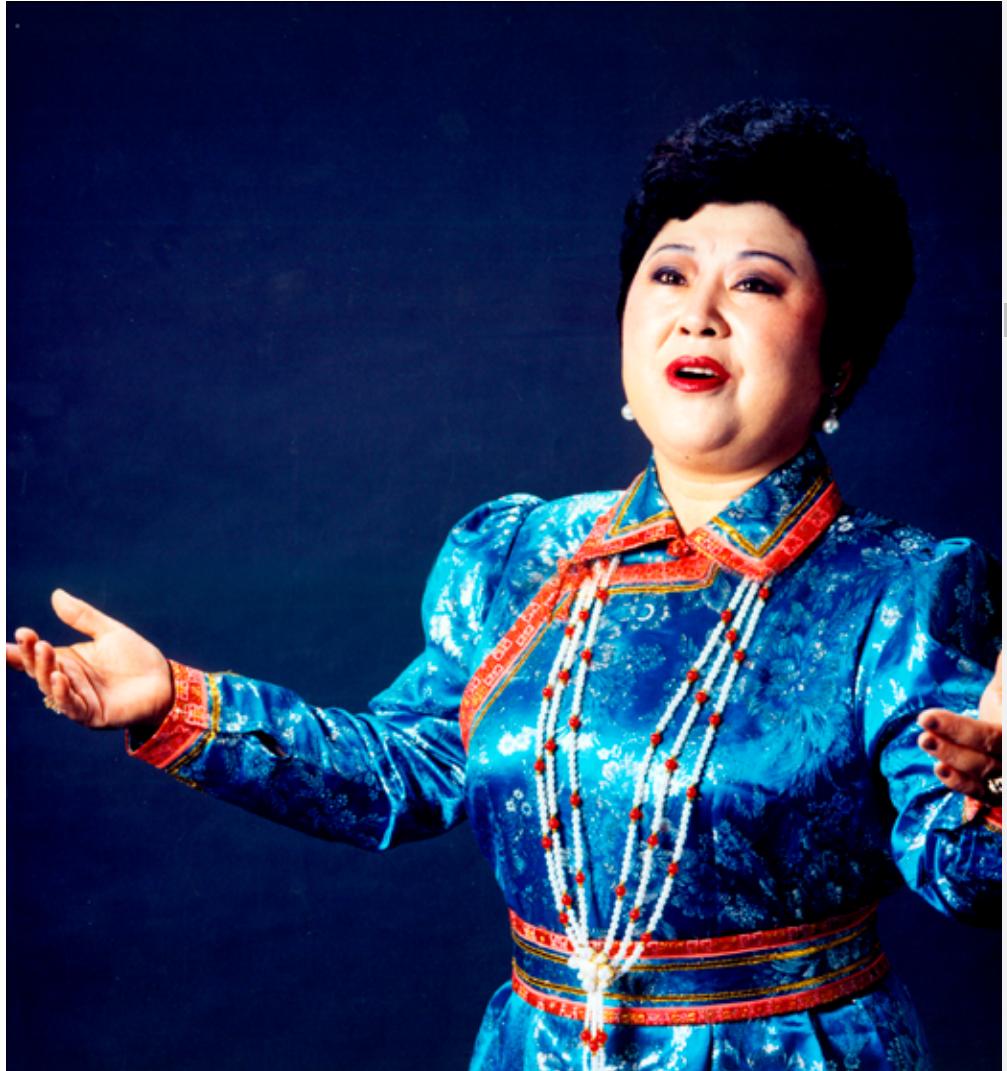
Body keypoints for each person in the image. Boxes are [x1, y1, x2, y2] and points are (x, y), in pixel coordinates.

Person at [7, 100, 1002, 1071]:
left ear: (839, 359)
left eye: (754, 284)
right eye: (667, 273)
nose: (696, 313)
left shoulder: (901, 591)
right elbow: (402, 771)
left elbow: (962, 873)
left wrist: (996, 795)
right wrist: (175, 700)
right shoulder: (520, 552)